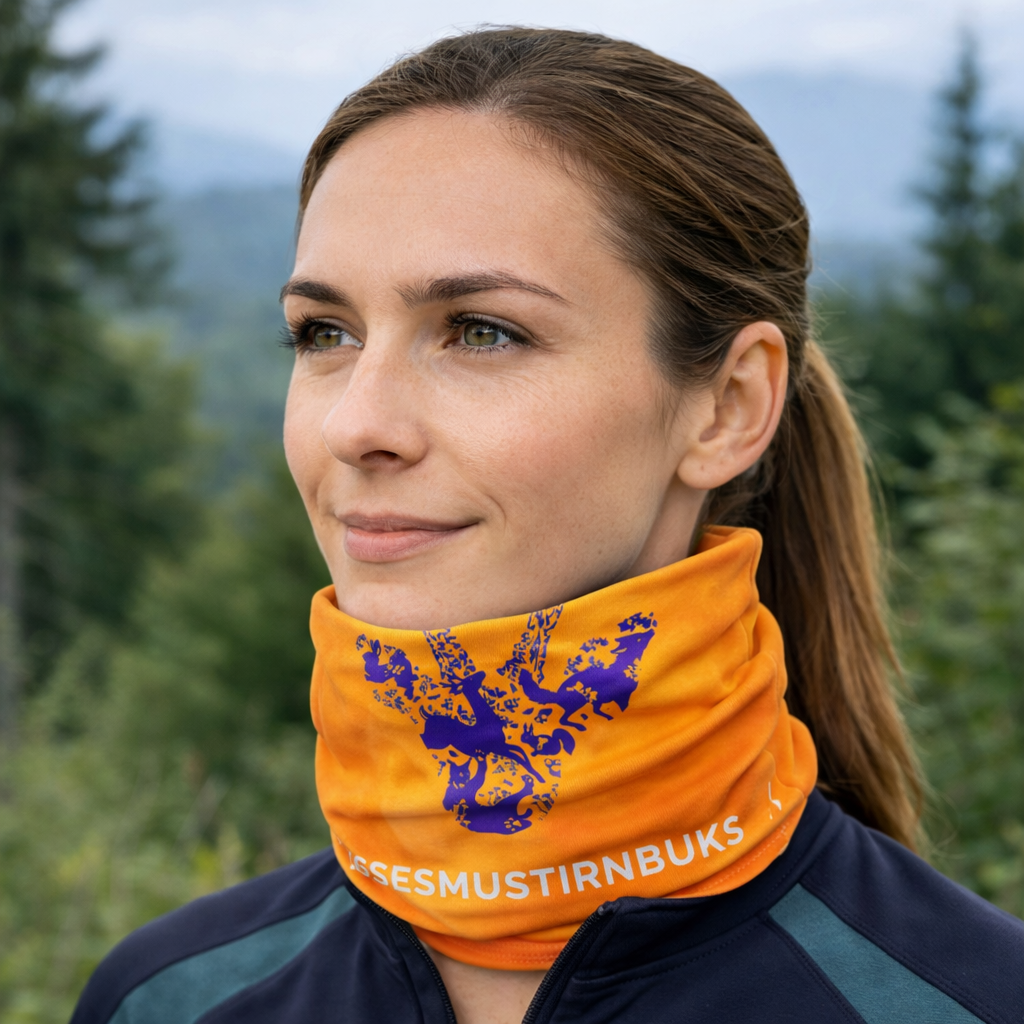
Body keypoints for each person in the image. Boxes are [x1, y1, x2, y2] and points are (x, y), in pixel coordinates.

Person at [71, 27, 1023, 1024]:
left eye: (482, 331)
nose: (355, 424)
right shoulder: (167, 1001)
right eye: (325, 333)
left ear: (728, 408)